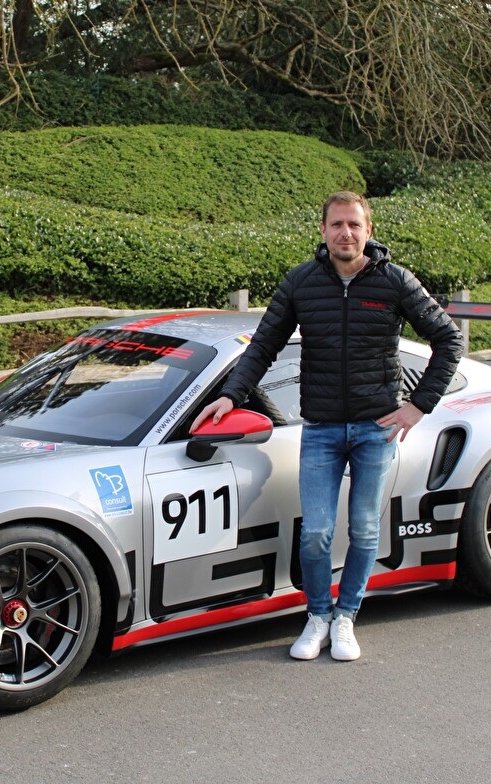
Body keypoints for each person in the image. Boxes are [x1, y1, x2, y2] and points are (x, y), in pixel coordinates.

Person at [191, 191, 462, 661]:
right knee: (315, 531)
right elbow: (263, 345)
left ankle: (346, 617)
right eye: (337, 224)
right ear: (322, 230)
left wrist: (418, 406)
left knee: (364, 529)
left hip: (376, 428)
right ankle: (318, 615)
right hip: (320, 428)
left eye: (354, 225)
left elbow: (449, 340)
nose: (346, 233)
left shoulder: (395, 281)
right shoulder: (301, 282)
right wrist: (231, 395)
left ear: (369, 231)